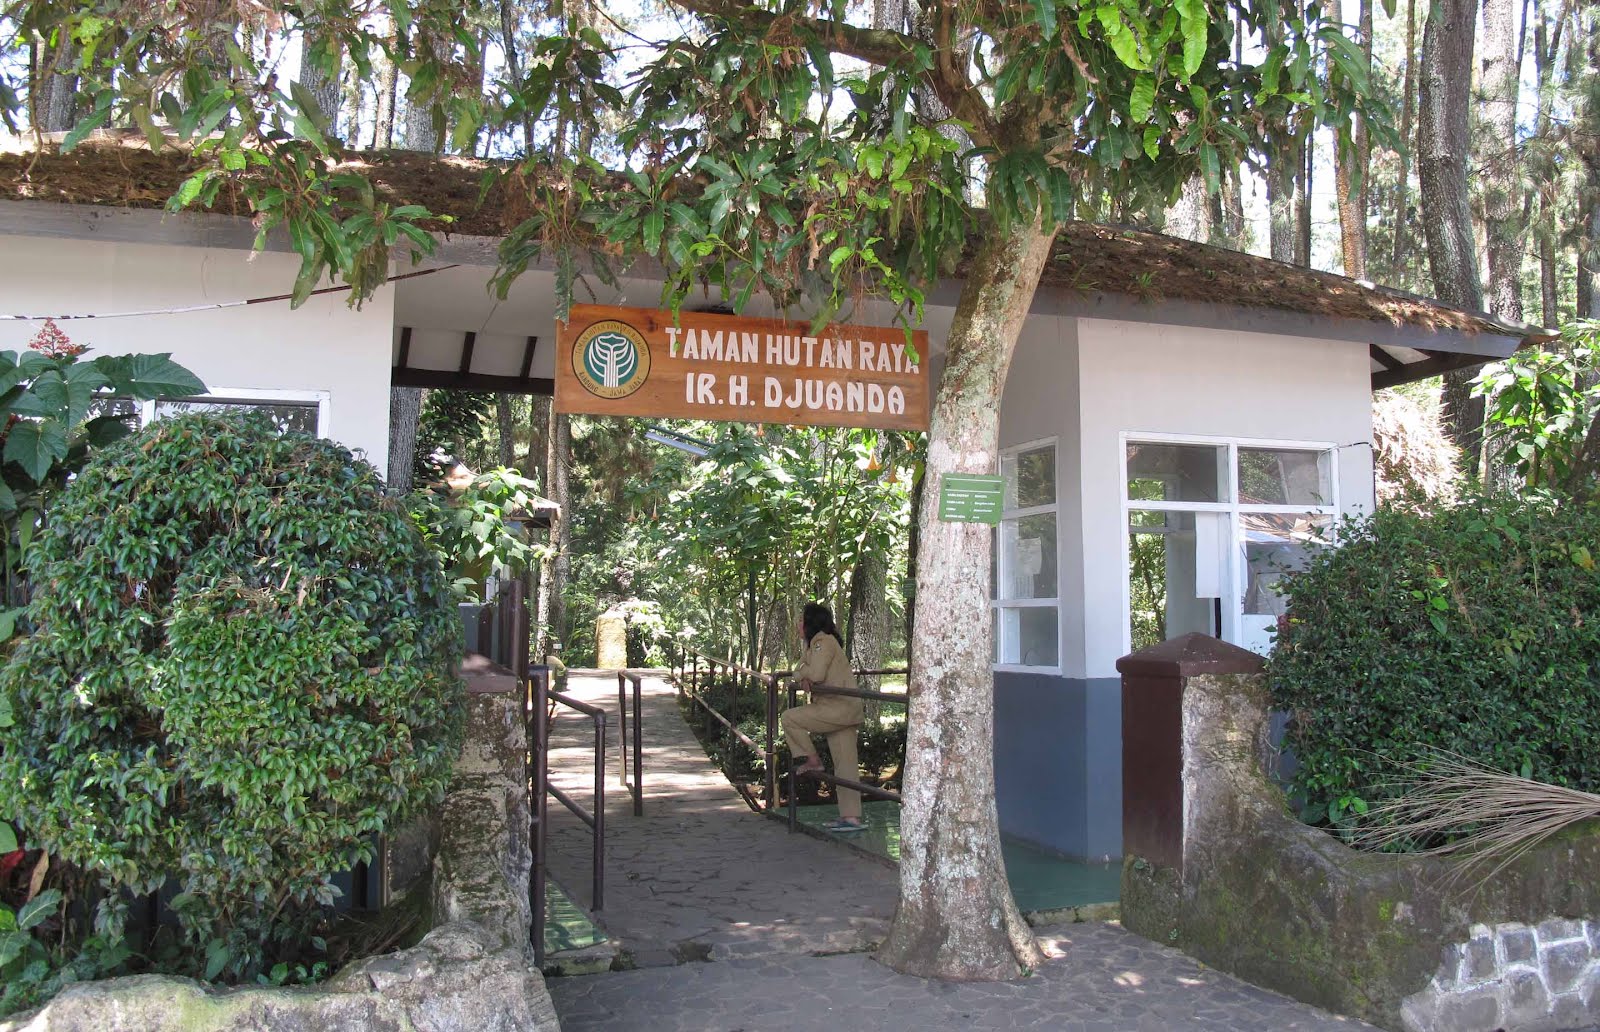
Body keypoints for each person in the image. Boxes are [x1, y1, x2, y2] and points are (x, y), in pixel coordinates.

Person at [780, 602, 866, 833]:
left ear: (811, 622)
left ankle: (812, 759)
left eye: (802, 619)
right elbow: (803, 671)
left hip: (836, 708)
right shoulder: (813, 645)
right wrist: (802, 675)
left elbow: (815, 674)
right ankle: (851, 818)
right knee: (846, 766)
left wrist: (801, 675)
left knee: (789, 718)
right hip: (844, 709)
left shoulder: (822, 642)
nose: (798, 624)